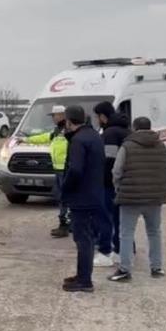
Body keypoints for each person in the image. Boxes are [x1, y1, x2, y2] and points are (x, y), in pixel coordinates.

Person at [108, 117, 166, 282]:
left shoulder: (127, 146)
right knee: (154, 232)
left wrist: (119, 189)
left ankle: (125, 269)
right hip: (154, 198)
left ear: (134, 128)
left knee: (126, 234)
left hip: (130, 198)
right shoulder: (161, 146)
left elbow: (116, 171)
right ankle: (156, 268)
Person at [61, 105, 106, 293]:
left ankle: (85, 280)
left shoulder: (78, 141)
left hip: (82, 197)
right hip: (95, 194)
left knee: (83, 239)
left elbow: (76, 169)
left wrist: (66, 187)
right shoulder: (95, 136)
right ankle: (82, 275)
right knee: (86, 237)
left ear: (69, 121)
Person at [21, 105, 70, 237]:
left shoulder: (69, 130)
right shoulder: (57, 131)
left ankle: (65, 225)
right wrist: (26, 140)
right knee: (61, 197)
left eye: (54, 116)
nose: (53, 118)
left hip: (66, 169)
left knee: (65, 198)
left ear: (61, 115)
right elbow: (44, 137)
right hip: (59, 169)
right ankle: (66, 224)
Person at [93, 101, 130, 268]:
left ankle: (105, 251)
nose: (97, 120)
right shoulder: (126, 130)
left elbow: (110, 161)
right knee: (120, 218)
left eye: (98, 116)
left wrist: (101, 179)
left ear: (103, 116)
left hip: (109, 184)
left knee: (105, 217)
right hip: (126, 182)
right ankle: (122, 250)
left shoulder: (110, 134)